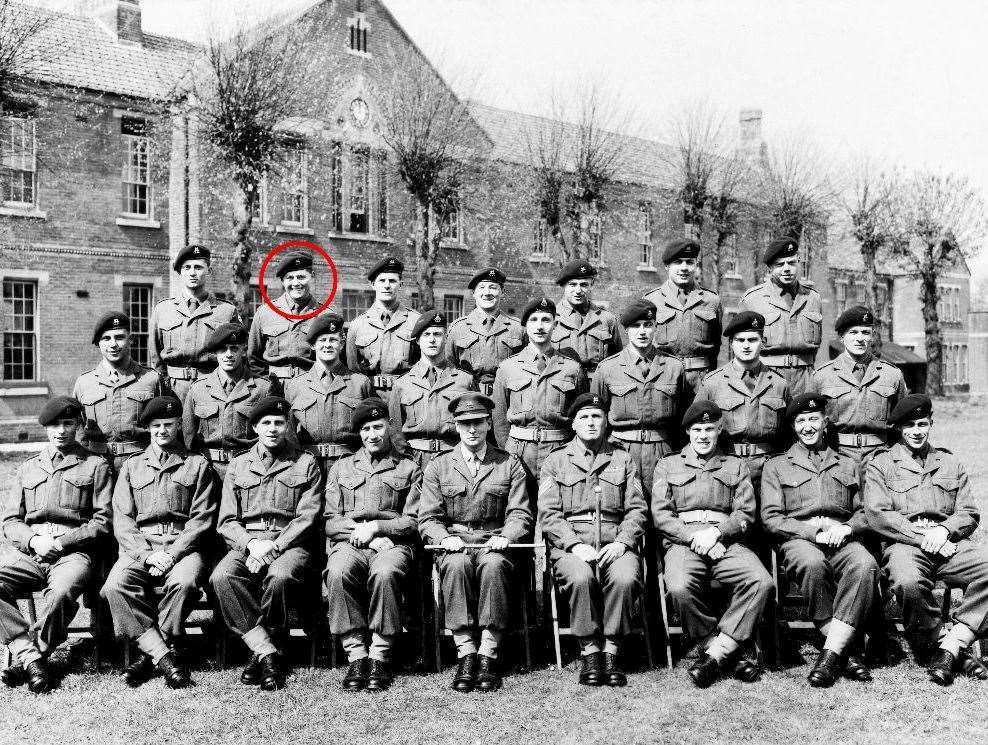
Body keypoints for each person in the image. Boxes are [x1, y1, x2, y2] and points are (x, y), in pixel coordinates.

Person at [865, 394, 988, 686]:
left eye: (922, 424)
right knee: (907, 582)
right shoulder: (881, 464)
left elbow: (969, 512)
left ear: (931, 424)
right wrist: (925, 537)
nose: (917, 431)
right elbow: (879, 515)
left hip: (949, 545)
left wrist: (945, 531)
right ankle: (942, 641)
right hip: (905, 546)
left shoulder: (949, 462)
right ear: (899, 429)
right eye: (909, 426)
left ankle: (952, 644)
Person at [652, 400, 774, 688]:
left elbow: (745, 512)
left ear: (720, 429)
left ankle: (717, 652)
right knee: (680, 585)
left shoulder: (735, 464)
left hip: (725, 541)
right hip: (684, 542)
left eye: (709, 429)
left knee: (761, 581)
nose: (703, 435)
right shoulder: (668, 465)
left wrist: (717, 534)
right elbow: (661, 515)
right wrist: (696, 537)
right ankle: (723, 647)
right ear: (687, 432)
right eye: (697, 429)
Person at [418, 392, 532, 693]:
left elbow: (520, 513)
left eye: (478, 422)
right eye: (465, 423)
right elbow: (428, 517)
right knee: (455, 566)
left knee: (494, 566)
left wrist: (508, 536)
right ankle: (466, 652)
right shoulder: (438, 466)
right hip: (455, 541)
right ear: (456, 426)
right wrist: (444, 538)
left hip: (494, 541)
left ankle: (488, 653)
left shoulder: (509, 463)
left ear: (488, 424)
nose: (472, 430)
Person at [761, 393, 877, 687]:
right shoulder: (777, 466)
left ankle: (830, 654)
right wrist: (813, 532)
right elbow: (772, 518)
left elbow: (866, 511)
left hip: (841, 537)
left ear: (826, 422)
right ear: (793, 427)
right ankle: (844, 650)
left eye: (814, 419)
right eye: (801, 421)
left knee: (865, 564)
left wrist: (848, 527)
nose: (808, 427)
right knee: (812, 564)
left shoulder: (848, 464)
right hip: (800, 539)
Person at [101, 396, 217, 689]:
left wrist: (173, 553)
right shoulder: (132, 466)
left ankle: (150, 655)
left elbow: (201, 519)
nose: (162, 430)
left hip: (183, 546)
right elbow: (123, 519)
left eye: (168, 424)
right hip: (141, 546)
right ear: (148, 429)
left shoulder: (197, 464)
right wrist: (145, 554)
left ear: (179, 425)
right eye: (156, 426)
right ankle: (164, 656)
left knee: (185, 583)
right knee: (114, 586)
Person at [210, 396, 322, 691]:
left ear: (287, 426)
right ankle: (268, 651)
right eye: (266, 423)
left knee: (280, 576)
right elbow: (226, 521)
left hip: (290, 544)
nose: (272, 429)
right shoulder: (238, 465)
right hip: (249, 543)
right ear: (255, 427)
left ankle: (265, 649)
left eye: (279, 422)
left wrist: (274, 546)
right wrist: (251, 544)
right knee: (223, 576)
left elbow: (307, 517)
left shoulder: (305, 462)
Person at [0, 397, 112, 693]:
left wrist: (61, 542)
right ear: (45, 428)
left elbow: (102, 522)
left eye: (67, 424)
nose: (61, 431)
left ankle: (30, 656)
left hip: (73, 553)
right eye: (54, 425)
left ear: (78, 426)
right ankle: (31, 656)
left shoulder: (95, 465)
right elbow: (10, 522)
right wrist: (35, 540)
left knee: (62, 593)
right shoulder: (28, 468)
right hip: (34, 552)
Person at [539, 393, 648, 687]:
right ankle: (590, 651)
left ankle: (612, 651)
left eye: (596, 416)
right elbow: (549, 515)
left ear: (606, 422)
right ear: (573, 424)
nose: (590, 422)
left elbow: (637, 509)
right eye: (584, 417)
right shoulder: (555, 461)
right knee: (580, 577)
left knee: (625, 577)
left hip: (615, 539)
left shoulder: (623, 459)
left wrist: (623, 543)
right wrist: (574, 545)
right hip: (572, 542)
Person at [323, 399, 421, 692]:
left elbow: (414, 520)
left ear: (390, 427)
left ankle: (380, 654)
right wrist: (364, 533)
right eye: (365, 429)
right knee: (338, 572)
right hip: (351, 543)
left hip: (394, 543)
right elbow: (330, 521)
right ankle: (356, 655)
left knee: (386, 574)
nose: (372, 434)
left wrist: (379, 527)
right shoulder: (341, 468)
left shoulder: (408, 467)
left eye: (378, 427)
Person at [591, 299, 686, 494]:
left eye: (648, 325)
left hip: (663, 450)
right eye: (636, 326)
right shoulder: (608, 368)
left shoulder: (674, 367)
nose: (642, 332)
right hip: (620, 450)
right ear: (626, 330)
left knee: (663, 507)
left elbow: (683, 419)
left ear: (656, 327)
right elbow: (595, 418)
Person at [694, 310, 790, 495]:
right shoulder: (713, 383)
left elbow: (789, 434)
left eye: (752, 340)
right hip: (726, 467)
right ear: (731, 344)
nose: (746, 345)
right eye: (740, 340)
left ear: (763, 342)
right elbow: (695, 429)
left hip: (768, 469)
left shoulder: (779, 383)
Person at [492, 297, 587, 484]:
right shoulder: (508, 367)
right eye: (533, 320)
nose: (540, 326)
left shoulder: (572, 368)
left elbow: (581, 416)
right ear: (525, 326)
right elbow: (499, 419)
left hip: (559, 450)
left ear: (555, 324)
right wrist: (508, 452)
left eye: (546, 320)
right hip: (518, 451)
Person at [810, 306, 907, 464]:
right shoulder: (823, 376)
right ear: (842, 337)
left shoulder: (892, 375)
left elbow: (903, 420)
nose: (860, 338)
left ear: (872, 337)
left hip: (880, 456)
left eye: (865, 332)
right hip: (837, 455)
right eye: (853, 332)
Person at [73, 311, 168, 471]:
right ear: (98, 343)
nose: (113, 344)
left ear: (131, 339)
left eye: (119, 337)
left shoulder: (151, 379)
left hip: (141, 464)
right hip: (97, 465)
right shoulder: (84, 382)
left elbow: (166, 425)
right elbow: (78, 431)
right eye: (106, 338)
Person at [183, 323, 274, 479]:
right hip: (208, 470)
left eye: (234, 348)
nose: (228, 354)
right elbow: (188, 437)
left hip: (248, 469)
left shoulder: (262, 388)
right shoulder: (198, 389)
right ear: (215, 353)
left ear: (244, 351)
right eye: (223, 349)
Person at [149, 244, 241, 400]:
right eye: (187, 268)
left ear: (209, 271)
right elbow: (155, 356)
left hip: (213, 387)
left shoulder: (226, 311)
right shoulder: (163, 309)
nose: (192, 273)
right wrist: (164, 387)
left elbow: (238, 354)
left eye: (198, 267)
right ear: (180, 272)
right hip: (174, 389)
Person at [284, 313, 373, 472]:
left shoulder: (360, 383)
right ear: (312, 345)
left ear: (342, 343)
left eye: (333, 340)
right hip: (307, 466)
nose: (328, 345)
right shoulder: (295, 385)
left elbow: (369, 428)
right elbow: (289, 433)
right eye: (322, 340)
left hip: (350, 466)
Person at [389, 309, 475, 468]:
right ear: (417, 341)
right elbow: (395, 434)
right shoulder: (402, 384)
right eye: (426, 335)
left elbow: (474, 425)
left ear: (446, 338)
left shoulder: (465, 380)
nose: (432, 340)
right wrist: (408, 464)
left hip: (454, 459)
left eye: (437, 334)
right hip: (415, 460)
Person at [738, 237, 823, 396]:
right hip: (767, 378)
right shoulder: (752, 299)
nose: (787, 269)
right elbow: (740, 347)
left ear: (798, 262)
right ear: (769, 268)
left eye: (791, 263)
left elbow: (817, 347)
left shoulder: (813, 298)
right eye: (780, 264)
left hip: (806, 380)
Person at [642, 239, 723, 394]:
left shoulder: (711, 300)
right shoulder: (651, 300)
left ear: (696, 265)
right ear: (667, 266)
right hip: (663, 378)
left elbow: (717, 344)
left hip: (701, 380)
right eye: (678, 262)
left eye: (690, 262)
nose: (684, 268)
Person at [346, 256, 421, 399]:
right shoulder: (358, 325)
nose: (387, 285)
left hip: (408, 396)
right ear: (373, 284)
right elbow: (352, 371)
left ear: (401, 284)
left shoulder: (415, 321)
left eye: (392, 281)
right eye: (382, 280)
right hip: (370, 397)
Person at [446, 267, 524, 395]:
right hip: (468, 397)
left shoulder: (517, 328)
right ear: (473, 293)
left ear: (502, 292)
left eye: (493, 287)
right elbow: (449, 368)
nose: (487, 292)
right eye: (481, 287)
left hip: (509, 396)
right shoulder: (458, 328)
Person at [248, 251, 322, 383]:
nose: (296, 283)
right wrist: (266, 386)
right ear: (282, 281)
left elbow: (334, 360)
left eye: (301, 277)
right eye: (289, 278)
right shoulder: (265, 313)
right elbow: (254, 358)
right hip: (274, 385)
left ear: (312, 276)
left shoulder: (324, 315)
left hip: (311, 386)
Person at [552, 259, 623, 374]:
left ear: (591, 285)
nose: (578, 290)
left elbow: (617, 360)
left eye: (584, 285)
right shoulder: (551, 318)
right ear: (563, 286)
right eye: (573, 285)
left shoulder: (606, 319)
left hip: (596, 384)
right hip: (562, 383)